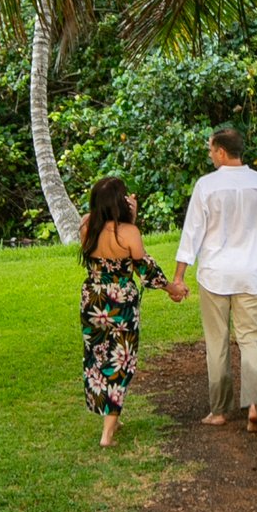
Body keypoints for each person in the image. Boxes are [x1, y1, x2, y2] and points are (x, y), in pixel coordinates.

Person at [173, 125, 257, 434]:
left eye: (210, 150)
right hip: (250, 273)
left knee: (216, 342)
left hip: (215, 274)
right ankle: (254, 406)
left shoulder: (206, 186)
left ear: (221, 151)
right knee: (250, 339)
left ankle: (219, 411)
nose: (210, 155)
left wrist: (179, 276)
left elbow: (191, 234)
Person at [78, 175, 183, 446]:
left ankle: (111, 418)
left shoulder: (86, 226)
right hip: (120, 302)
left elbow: (106, 250)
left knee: (98, 359)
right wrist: (171, 288)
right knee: (120, 362)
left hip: (92, 299)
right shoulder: (129, 232)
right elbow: (144, 267)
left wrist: (129, 221)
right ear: (119, 202)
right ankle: (107, 433)